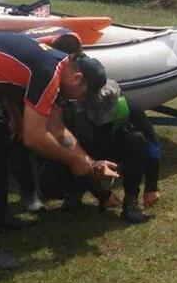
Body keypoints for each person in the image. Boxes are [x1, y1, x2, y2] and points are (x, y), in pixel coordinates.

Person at [0, 31, 118, 270]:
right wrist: (73, 161)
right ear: (78, 79)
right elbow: (34, 137)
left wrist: (90, 162)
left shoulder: (57, 67)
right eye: (84, 95)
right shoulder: (50, 73)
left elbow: (59, 131)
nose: (80, 100)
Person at [38, 79, 160, 223]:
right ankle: (74, 190)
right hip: (82, 152)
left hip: (110, 147)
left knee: (137, 140)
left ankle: (131, 201)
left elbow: (153, 144)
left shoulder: (128, 105)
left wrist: (151, 187)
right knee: (50, 180)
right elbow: (67, 151)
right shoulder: (71, 111)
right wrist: (102, 194)